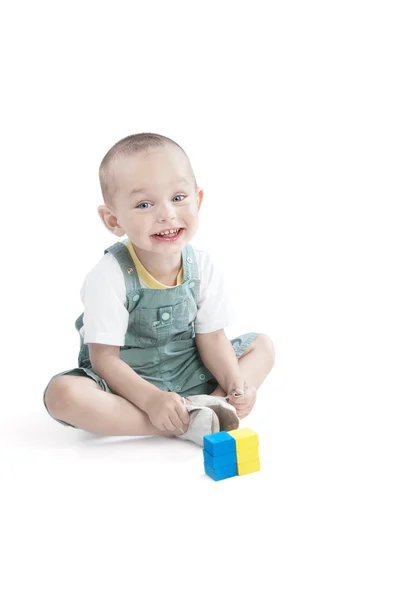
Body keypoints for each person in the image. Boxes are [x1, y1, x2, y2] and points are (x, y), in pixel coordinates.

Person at [43, 133, 276, 446]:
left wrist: (235, 383)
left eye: (178, 198)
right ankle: (177, 422)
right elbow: (105, 360)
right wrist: (152, 401)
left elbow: (211, 338)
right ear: (113, 220)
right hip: (127, 382)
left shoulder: (202, 266)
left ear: (199, 199)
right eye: (144, 204)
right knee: (63, 394)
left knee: (262, 346)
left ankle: (217, 404)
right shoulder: (109, 275)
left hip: (187, 368)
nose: (166, 214)